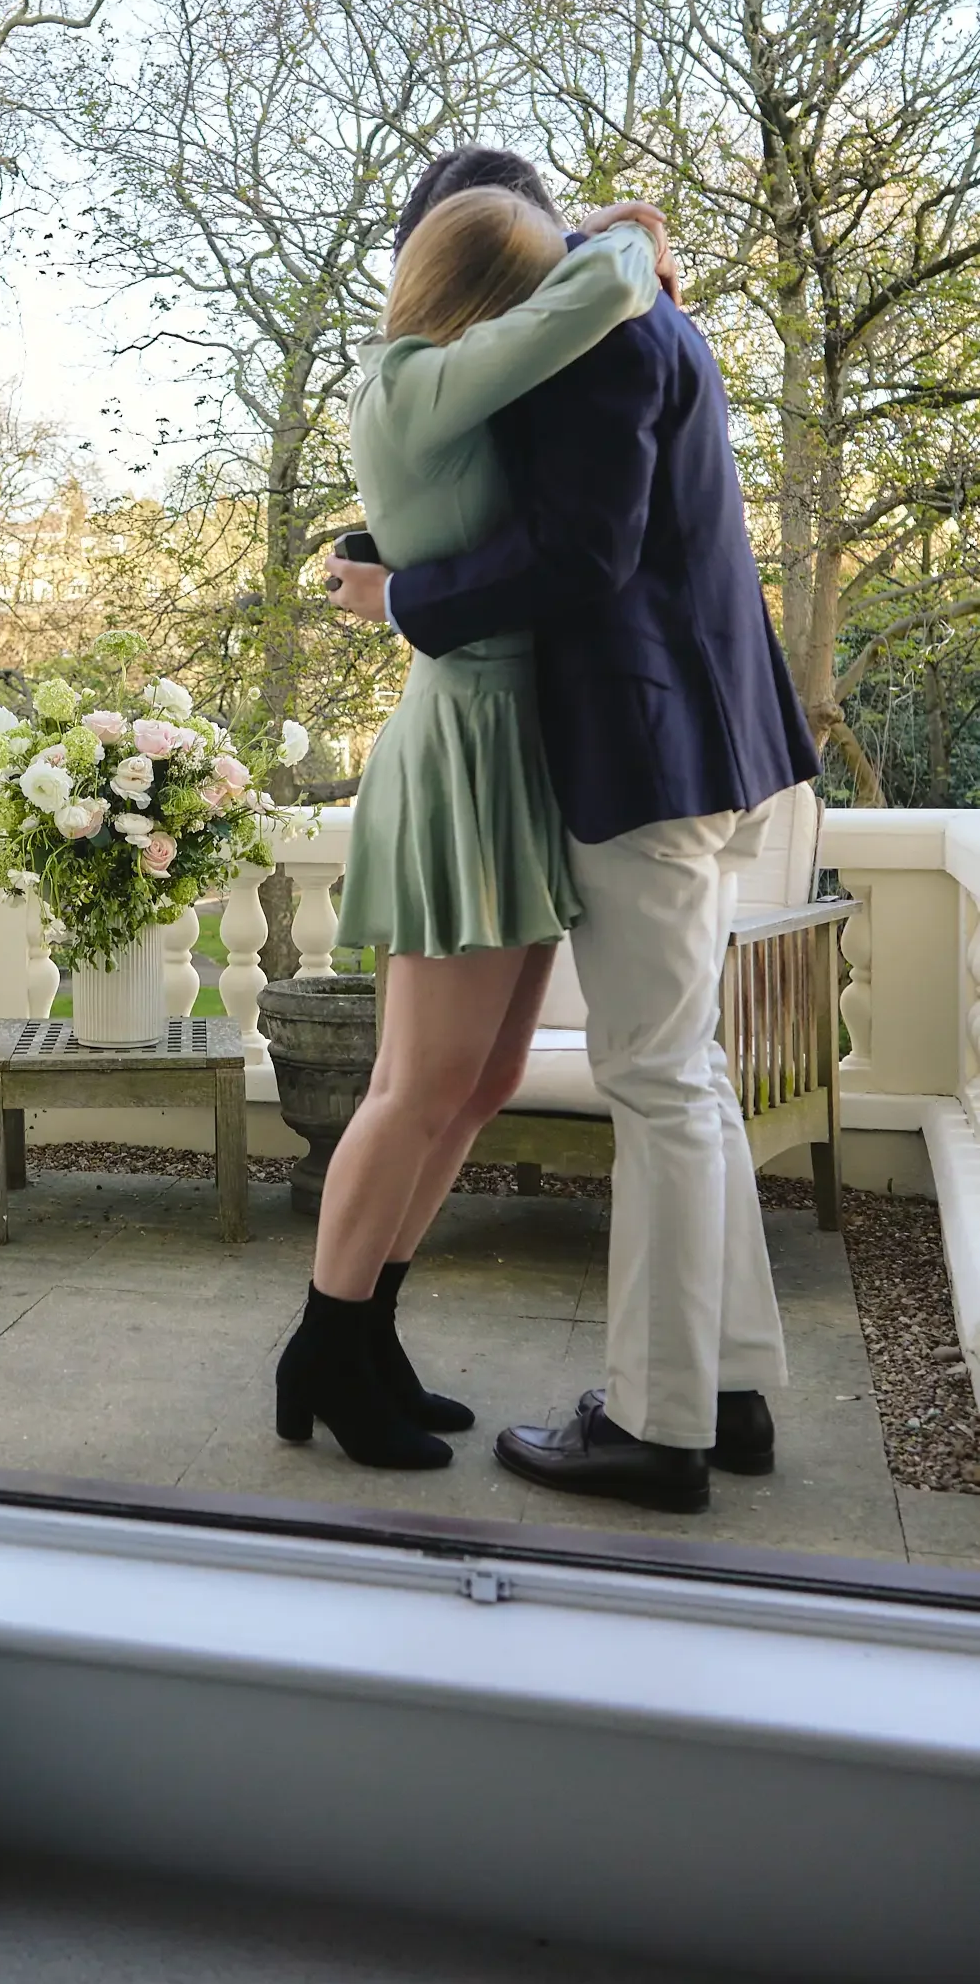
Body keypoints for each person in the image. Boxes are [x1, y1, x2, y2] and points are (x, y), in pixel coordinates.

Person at [324, 145, 821, 1512]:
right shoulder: (645, 314)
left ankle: (656, 1428)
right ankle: (725, 1389)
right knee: (689, 1076)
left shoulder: (602, 340)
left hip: (639, 747)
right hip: (711, 739)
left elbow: (579, 554)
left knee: (654, 1082)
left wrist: (405, 597)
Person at [274, 184, 665, 1471]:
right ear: (492, 294)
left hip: (510, 738)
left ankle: (368, 1326)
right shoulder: (415, 379)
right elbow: (605, 290)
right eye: (526, 284)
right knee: (418, 1081)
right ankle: (328, 1340)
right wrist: (621, 235)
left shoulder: (442, 387)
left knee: (483, 1076)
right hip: (465, 745)